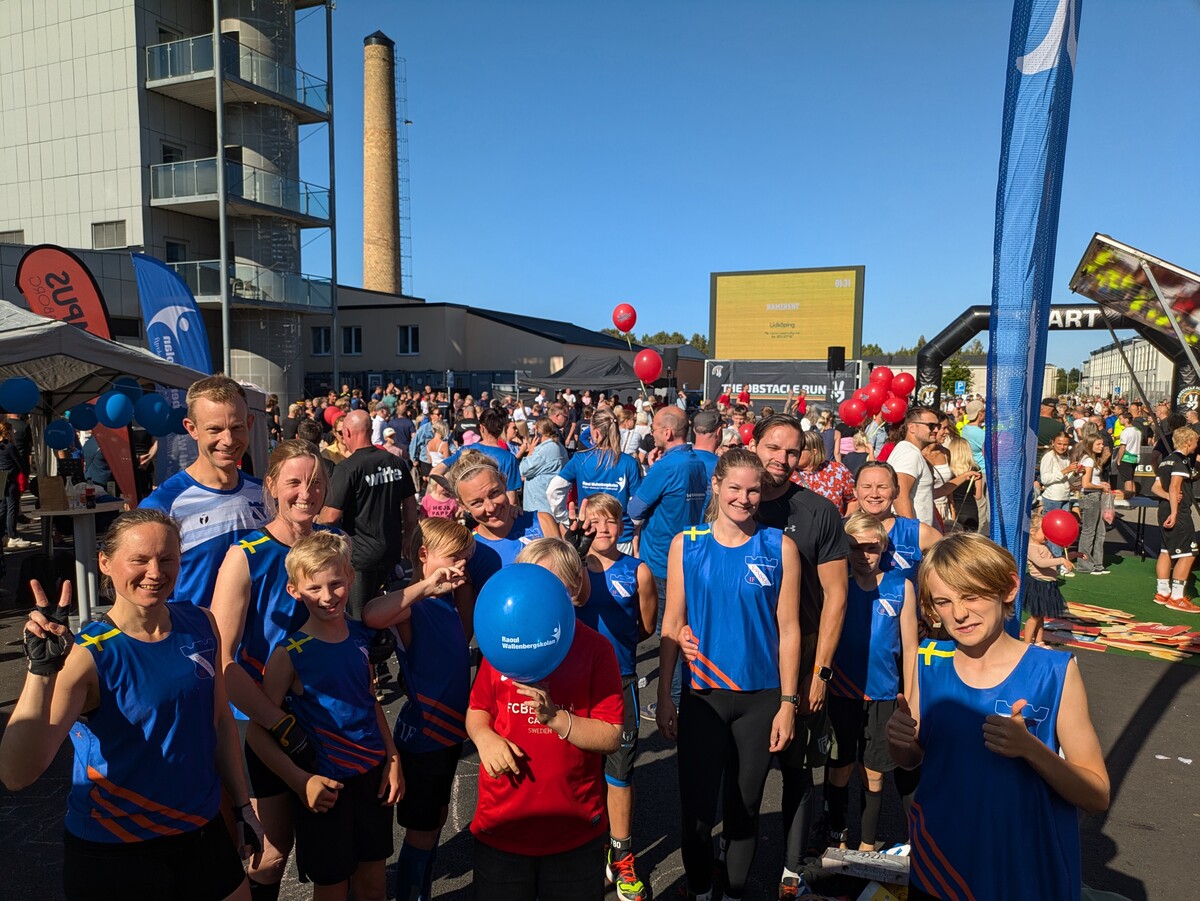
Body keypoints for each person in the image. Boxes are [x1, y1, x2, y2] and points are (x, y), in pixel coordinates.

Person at [0, 509, 260, 900]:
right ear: (105, 562)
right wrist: (41, 672)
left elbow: (220, 720)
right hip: (117, 849)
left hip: (199, 831)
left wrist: (242, 807)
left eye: (167, 559)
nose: (155, 572)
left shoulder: (202, 623)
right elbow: (17, 774)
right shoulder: (89, 655)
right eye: (139, 560)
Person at [887, 533, 1110, 900]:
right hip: (940, 866)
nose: (959, 613)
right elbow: (912, 758)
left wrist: (1030, 749)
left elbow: (1097, 795)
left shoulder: (1054, 671)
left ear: (1008, 588)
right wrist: (899, 740)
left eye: (971, 595)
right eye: (943, 601)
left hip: (1023, 871)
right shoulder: (929, 659)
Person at [659, 449, 800, 901]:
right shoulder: (687, 544)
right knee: (698, 816)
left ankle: (735, 893)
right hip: (703, 696)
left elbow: (789, 630)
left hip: (761, 699)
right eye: (735, 487)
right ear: (716, 485)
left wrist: (788, 704)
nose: (744, 498)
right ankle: (701, 891)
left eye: (753, 490)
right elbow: (671, 623)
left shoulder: (780, 547)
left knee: (745, 812)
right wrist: (664, 695)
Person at [210, 439, 337, 899]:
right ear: (271, 486)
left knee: (328, 843)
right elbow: (221, 658)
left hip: (325, 714)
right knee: (270, 850)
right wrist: (276, 721)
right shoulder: (245, 554)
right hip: (262, 720)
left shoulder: (333, 545)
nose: (307, 492)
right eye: (294, 482)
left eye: (316, 482)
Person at [246, 532, 403, 899]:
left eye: (336, 584)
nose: (328, 596)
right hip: (325, 788)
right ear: (294, 591)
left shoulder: (360, 635)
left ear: (351, 577)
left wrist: (393, 758)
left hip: (373, 778)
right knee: (331, 889)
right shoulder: (289, 653)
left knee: (373, 885)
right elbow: (258, 732)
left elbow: (369, 700)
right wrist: (300, 781)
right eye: (314, 588)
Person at [466, 541, 623, 901]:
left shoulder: (596, 650)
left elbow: (611, 735)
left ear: (573, 590)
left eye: (550, 583)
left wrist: (558, 719)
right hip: (503, 822)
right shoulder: (503, 643)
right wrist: (484, 738)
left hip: (573, 827)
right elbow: (477, 710)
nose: (535, 594)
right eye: (530, 580)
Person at [364, 518, 476, 901]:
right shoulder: (413, 605)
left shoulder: (447, 602)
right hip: (425, 737)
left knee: (437, 820)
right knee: (422, 832)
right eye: (454, 558)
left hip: (449, 736)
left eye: (465, 559)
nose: (460, 566)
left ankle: (420, 891)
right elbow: (371, 614)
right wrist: (426, 586)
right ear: (424, 555)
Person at [579, 494, 658, 901]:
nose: (603, 529)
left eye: (610, 521)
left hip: (619, 681)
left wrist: (615, 653)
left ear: (622, 524)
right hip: (576, 683)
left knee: (619, 774)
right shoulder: (570, 567)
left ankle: (622, 856)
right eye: (594, 522)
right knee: (578, 770)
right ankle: (583, 850)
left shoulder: (638, 570)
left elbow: (646, 627)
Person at [825, 513, 917, 852]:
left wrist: (911, 701)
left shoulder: (901, 587)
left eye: (871, 548)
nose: (863, 555)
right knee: (840, 768)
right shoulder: (837, 586)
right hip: (840, 694)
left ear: (884, 548)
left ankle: (866, 844)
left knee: (874, 773)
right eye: (854, 547)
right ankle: (836, 836)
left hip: (883, 696)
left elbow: (911, 649)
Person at [141, 375, 267, 608]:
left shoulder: (266, 495)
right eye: (215, 429)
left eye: (236, 427)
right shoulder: (163, 505)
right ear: (192, 429)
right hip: (195, 631)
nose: (228, 440)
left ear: (249, 424)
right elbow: (141, 594)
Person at [627, 405, 709, 709]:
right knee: (687, 629)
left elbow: (635, 508)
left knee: (669, 636)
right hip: (693, 555)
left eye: (654, 428)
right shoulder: (698, 461)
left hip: (663, 561)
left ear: (668, 432)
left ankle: (673, 702)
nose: (651, 433)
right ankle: (684, 696)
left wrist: (654, 471)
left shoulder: (667, 466)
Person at [319, 409, 418, 620]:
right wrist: (408, 536)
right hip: (391, 551)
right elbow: (411, 507)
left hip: (361, 558)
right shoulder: (396, 462)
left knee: (359, 617)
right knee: (385, 612)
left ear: (347, 432)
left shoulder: (347, 468)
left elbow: (330, 517)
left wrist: (311, 523)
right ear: (371, 431)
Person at [450, 452, 559, 591]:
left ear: (504, 482)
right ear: (462, 505)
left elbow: (576, 594)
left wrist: (578, 558)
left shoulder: (542, 522)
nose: (491, 507)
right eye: (477, 502)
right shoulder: (467, 551)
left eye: (494, 493)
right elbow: (467, 606)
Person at [548, 410, 643, 553]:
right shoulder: (629, 462)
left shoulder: (581, 459)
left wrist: (564, 518)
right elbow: (637, 502)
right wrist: (633, 526)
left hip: (589, 532)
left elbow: (553, 490)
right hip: (619, 534)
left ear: (596, 433)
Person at [853, 461, 942, 579]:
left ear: (897, 491)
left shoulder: (917, 532)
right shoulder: (840, 530)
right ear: (855, 491)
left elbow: (954, 564)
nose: (874, 494)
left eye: (882, 487)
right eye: (866, 487)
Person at [1151, 425, 1200, 613]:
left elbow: (1156, 487)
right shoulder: (1180, 462)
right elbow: (1174, 487)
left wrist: (1166, 498)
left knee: (1166, 550)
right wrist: (1174, 511)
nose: (1197, 445)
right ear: (1188, 442)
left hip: (1164, 509)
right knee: (1189, 553)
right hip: (1177, 512)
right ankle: (1177, 597)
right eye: (1195, 441)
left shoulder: (1166, 461)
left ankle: (1162, 592)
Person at [434, 408, 522, 506]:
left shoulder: (466, 450)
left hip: (472, 507)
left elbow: (435, 472)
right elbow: (511, 498)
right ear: (502, 429)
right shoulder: (509, 458)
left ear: (481, 428)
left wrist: (458, 493)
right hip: (497, 509)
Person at [886, 408, 940, 528]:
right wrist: (911, 531)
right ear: (911, 427)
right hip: (913, 533)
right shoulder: (909, 453)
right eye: (931, 426)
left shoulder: (908, 450)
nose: (936, 430)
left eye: (938, 426)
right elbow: (899, 495)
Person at [1025, 511, 1072, 645]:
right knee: (1035, 616)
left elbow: (1053, 559)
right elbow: (1041, 563)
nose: (1048, 535)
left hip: (1048, 584)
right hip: (1038, 585)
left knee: (1041, 616)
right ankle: (1026, 643)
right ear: (1032, 532)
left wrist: (1073, 555)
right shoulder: (1032, 547)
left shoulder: (1044, 546)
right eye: (1045, 532)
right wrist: (1061, 560)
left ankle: (1039, 641)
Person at [1070, 431, 1113, 575]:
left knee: (1100, 531)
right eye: (1098, 444)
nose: (1101, 447)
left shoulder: (1093, 460)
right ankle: (1085, 565)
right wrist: (1100, 486)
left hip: (1095, 495)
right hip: (1090, 497)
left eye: (1102, 444)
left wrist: (1101, 485)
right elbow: (1086, 484)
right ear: (1090, 445)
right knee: (1089, 531)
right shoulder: (1088, 460)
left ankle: (1097, 564)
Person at [1038, 432, 1080, 576]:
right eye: (1059, 444)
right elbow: (1045, 479)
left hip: (1064, 497)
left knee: (1061, 533)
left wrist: (1076, 473)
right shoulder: (1049, 457)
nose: (1062, 447)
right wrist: (1065, 470)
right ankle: (1056, 564)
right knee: (1053, 534)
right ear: (1053, 443)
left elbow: (1067, 479)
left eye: (1065, 444)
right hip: (1052, 498)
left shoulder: (1066, 457)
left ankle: (1058, 562)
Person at [793, 429, 855, 515]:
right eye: (792, 450)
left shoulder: (837, 470)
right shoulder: (788, 473)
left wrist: (846, 520)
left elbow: (853, 500)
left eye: (799, 450)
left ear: (813, 452)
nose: (794, 454)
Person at [518, 417, 568, 514]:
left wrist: (530, 451)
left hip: (539, 504)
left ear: (537, 432)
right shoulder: (560, 447)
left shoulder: (543, 450)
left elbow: (523, 469)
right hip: (553, 500)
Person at [0, 419, 32, 549]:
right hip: (11, 478)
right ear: (7, 432)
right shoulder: (9, 446)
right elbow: (20, 463)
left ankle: (2, 535)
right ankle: (12, 536)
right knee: (12, 507)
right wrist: (25, 472)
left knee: (2, 507)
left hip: (1, 478)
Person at [942, 434, 983, 533]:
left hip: (953, 511)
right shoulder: (975, 469)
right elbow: (978, 496)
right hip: (970, 511)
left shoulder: (948, 471)